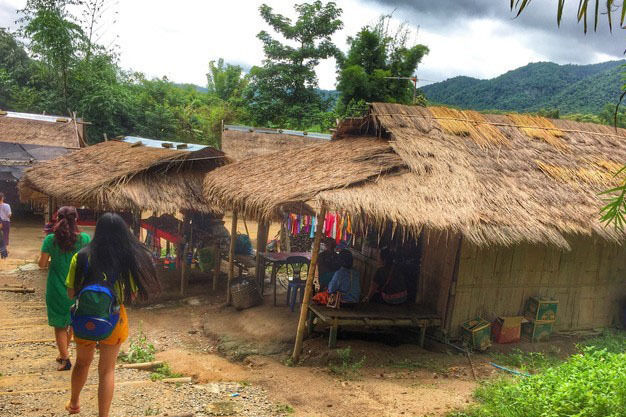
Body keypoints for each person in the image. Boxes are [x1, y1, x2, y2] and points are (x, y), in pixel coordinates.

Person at [65, 213, 160, 416]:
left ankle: (74, 403)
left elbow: (71, 293)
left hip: (83, 320)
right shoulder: (125, 260)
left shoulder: (81, 256)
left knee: (82, 363)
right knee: (107, 370)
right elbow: (131, 295)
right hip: (114, 319)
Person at [38, 207, 91, 371]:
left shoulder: (50, 240)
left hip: (56, 287)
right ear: (76, 219)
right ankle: (63, 353)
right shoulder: (85, 239)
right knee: (71, 321)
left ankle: (65, 358)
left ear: (57, 218)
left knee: (60, 325)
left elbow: (42, 264)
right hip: (77, 288)